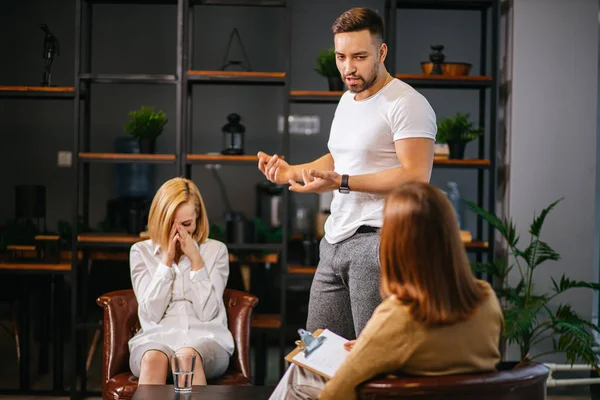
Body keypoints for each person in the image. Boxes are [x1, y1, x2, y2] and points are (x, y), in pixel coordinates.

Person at [257, 7, 437, 340]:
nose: (348, 68)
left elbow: (415, 176)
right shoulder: (347, 100)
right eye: (341, 57)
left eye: (358, 56)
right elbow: (341, 159)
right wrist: (290, 172)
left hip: (379, 243)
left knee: (372, 356)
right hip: (335, 241)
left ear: (381, 52)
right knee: (317, 353)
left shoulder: (406, 103)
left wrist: (342, 183)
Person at [269, 181, 504, 400]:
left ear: (394, 245)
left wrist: (373, 345)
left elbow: (336, 394)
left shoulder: (399, 314)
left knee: (299, 374)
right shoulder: (486, 299)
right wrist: (372, 346)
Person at [128, 177, 233, 385]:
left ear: (198, 219)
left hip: (207, 339)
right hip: (155, 340)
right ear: (159, 219)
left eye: (186, 224)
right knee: (153, 359)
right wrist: (166, 261)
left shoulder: (216, 251)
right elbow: (151, 314)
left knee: (187, 358)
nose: (179, 232)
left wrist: (196, 260)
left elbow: (207, 312)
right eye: (171, 225)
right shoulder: (141, 252)